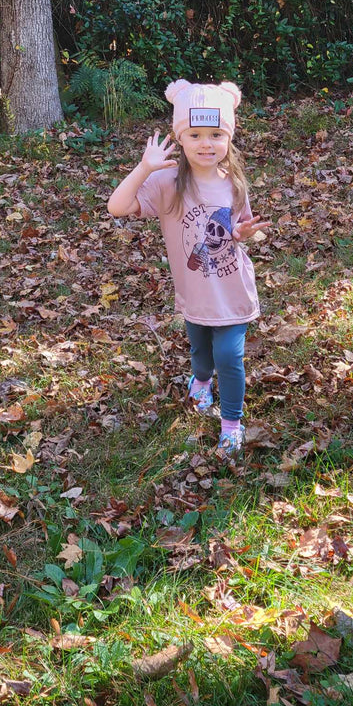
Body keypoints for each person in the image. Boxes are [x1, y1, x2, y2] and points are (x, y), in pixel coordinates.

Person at [107, 79, 270, 459]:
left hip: (232, 291)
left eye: (216, 134)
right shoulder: (166, 183)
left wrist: (243, 234)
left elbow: (242, 230)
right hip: (195, 293)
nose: (206, 143)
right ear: (180, 139)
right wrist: (144, 168)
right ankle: (199, 382)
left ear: (228, 137)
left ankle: (231, 423)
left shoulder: (234, 183)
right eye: (194, 134)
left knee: (229, 356)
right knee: (200, 351)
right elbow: (117, 207)